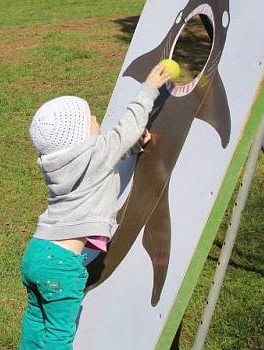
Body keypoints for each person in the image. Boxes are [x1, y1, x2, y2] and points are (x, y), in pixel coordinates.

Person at [20, 62, 172, 349]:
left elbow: (103, 162)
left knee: (37, 320)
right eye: (89, 118)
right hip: (61, 266)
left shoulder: (57, 164)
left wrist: (135, 148)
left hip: (37, 253)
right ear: (80, 139)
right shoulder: (97, 154)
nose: (95, 117)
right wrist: (149, 88)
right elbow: (126, 129)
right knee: (59, 335)